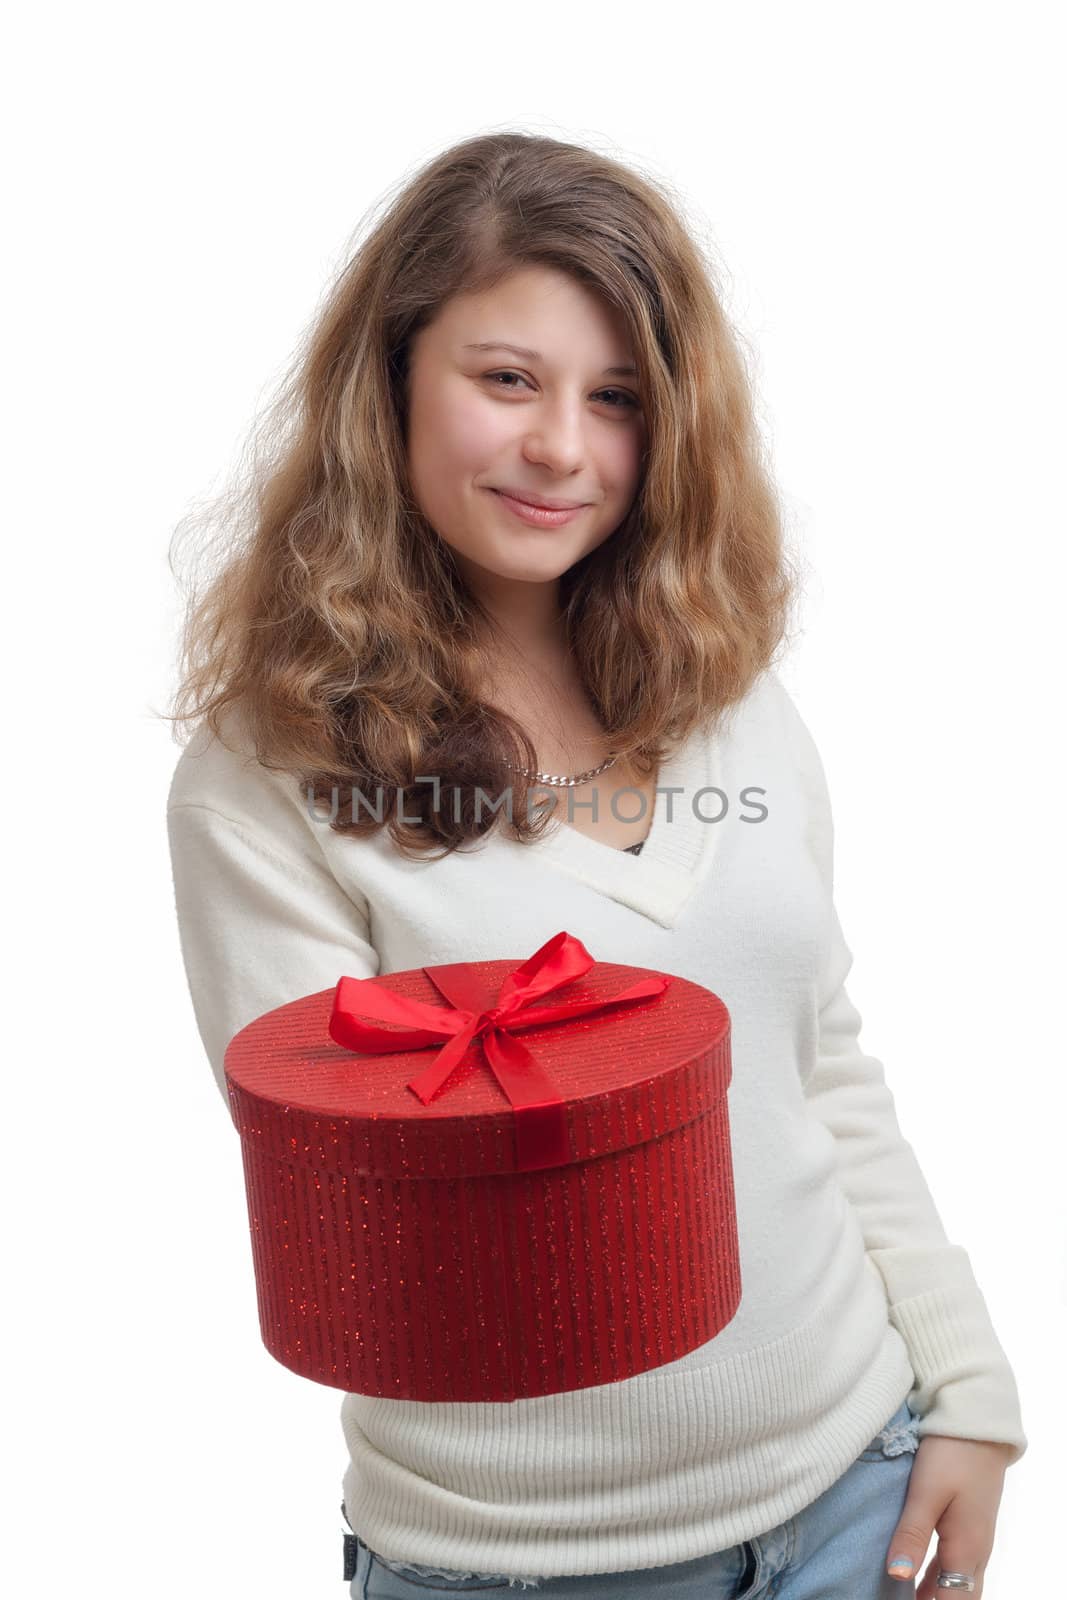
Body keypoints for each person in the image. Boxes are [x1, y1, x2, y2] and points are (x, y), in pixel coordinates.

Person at [163, 132, 1025, 1600]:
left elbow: (816, 1066)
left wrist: (964, 1380)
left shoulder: (727, 689)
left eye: (617, 399)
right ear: (389, 384)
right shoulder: (271, 777)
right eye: (508, 380)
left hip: (855, 1483)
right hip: (528, 1566)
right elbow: (361, 1218)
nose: (565, 447)